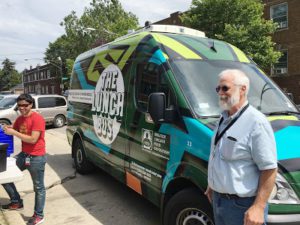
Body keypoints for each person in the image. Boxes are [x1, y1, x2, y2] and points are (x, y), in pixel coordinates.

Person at [205, 69, 277, 225]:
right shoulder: (223, 119)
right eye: (218, 89)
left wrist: (258, 207)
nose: (220, 93)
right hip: (219, 200)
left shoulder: (256, 122)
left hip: (242, 206)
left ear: (243, 89)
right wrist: (213, 184)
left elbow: (270, 168)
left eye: (225, 88)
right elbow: (218, 155)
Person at [1, 94, 46, 225]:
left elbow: (33, 139)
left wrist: (13, 133)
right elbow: (12, 128)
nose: (22, 108)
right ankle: (16, 201)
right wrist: (6, 128)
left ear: (31, 105)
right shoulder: (20, 118)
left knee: (38, 187)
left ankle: (39, 215)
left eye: (25, 105)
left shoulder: (37, 118)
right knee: (3, 172)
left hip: (37, 157)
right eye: (20, 105)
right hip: (24, 155)